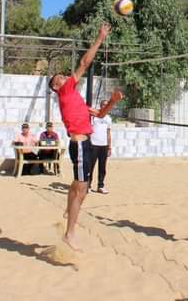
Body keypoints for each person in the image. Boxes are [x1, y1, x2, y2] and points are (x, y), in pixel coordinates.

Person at [48, 23, 110, 251]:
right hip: (81, 144)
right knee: (81, 188)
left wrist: (113, 101)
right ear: (57, 87)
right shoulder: (65, 91)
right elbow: (84, 62)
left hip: (88, 144)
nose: (65, 77)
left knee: (80, 188)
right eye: (61, 78)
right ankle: (70, 234)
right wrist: (100, 38)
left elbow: (100, 114)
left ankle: (69, 210)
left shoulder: (74, 97)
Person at [88, 91, 124, 194]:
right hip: (93, 144)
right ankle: (88, 185)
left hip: (103, 145)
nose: (105, 106)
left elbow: (108, 133)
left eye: (106, 105)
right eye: (103, 105)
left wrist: (109, 147)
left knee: (102, 167)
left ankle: (100, 186)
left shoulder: (108, 119)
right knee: (90, 166)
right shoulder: (94, 116)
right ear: (100, 106)